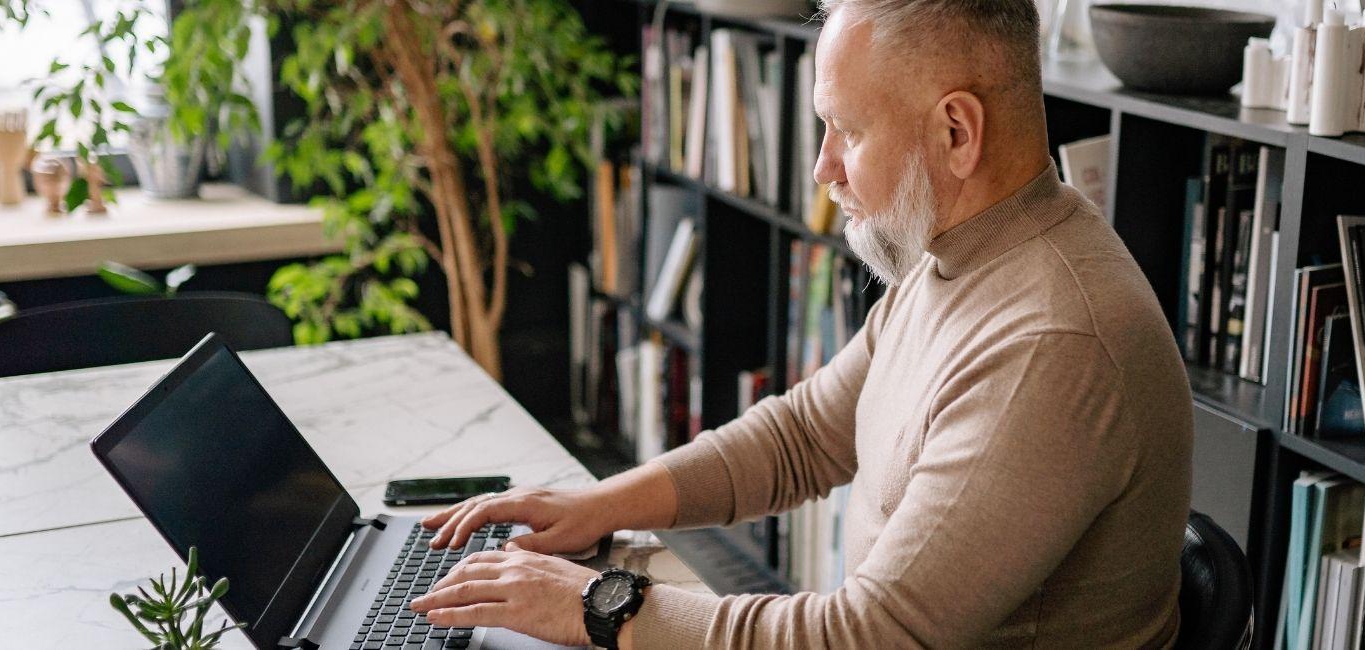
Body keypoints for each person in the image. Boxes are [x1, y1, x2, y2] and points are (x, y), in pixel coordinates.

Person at [408, 0, 1194, 646]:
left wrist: (597, 604)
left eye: (847, 131)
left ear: (956, 132)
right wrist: (597, 506)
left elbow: (870, 637)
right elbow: (804, 436)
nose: (824, 168)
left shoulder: (1050, 344)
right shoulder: (961, 253)